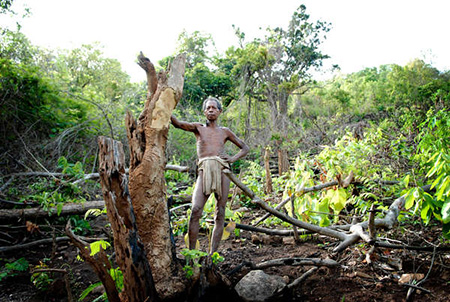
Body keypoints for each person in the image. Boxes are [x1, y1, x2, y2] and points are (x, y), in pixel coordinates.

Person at [171, 97, 249, 254]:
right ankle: (192, 254)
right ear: (204, 111)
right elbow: (178, 124)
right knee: (196, 210)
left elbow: (245, 147)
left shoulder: (225, 132)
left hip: (222, 171)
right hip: (204, 170)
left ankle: (212, 254)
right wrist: (165, 107)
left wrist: (232, 159)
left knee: (220, 212)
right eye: (208, 108)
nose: (211, 110)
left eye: (214, 108)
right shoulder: (198, 128)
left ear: (220, 111)